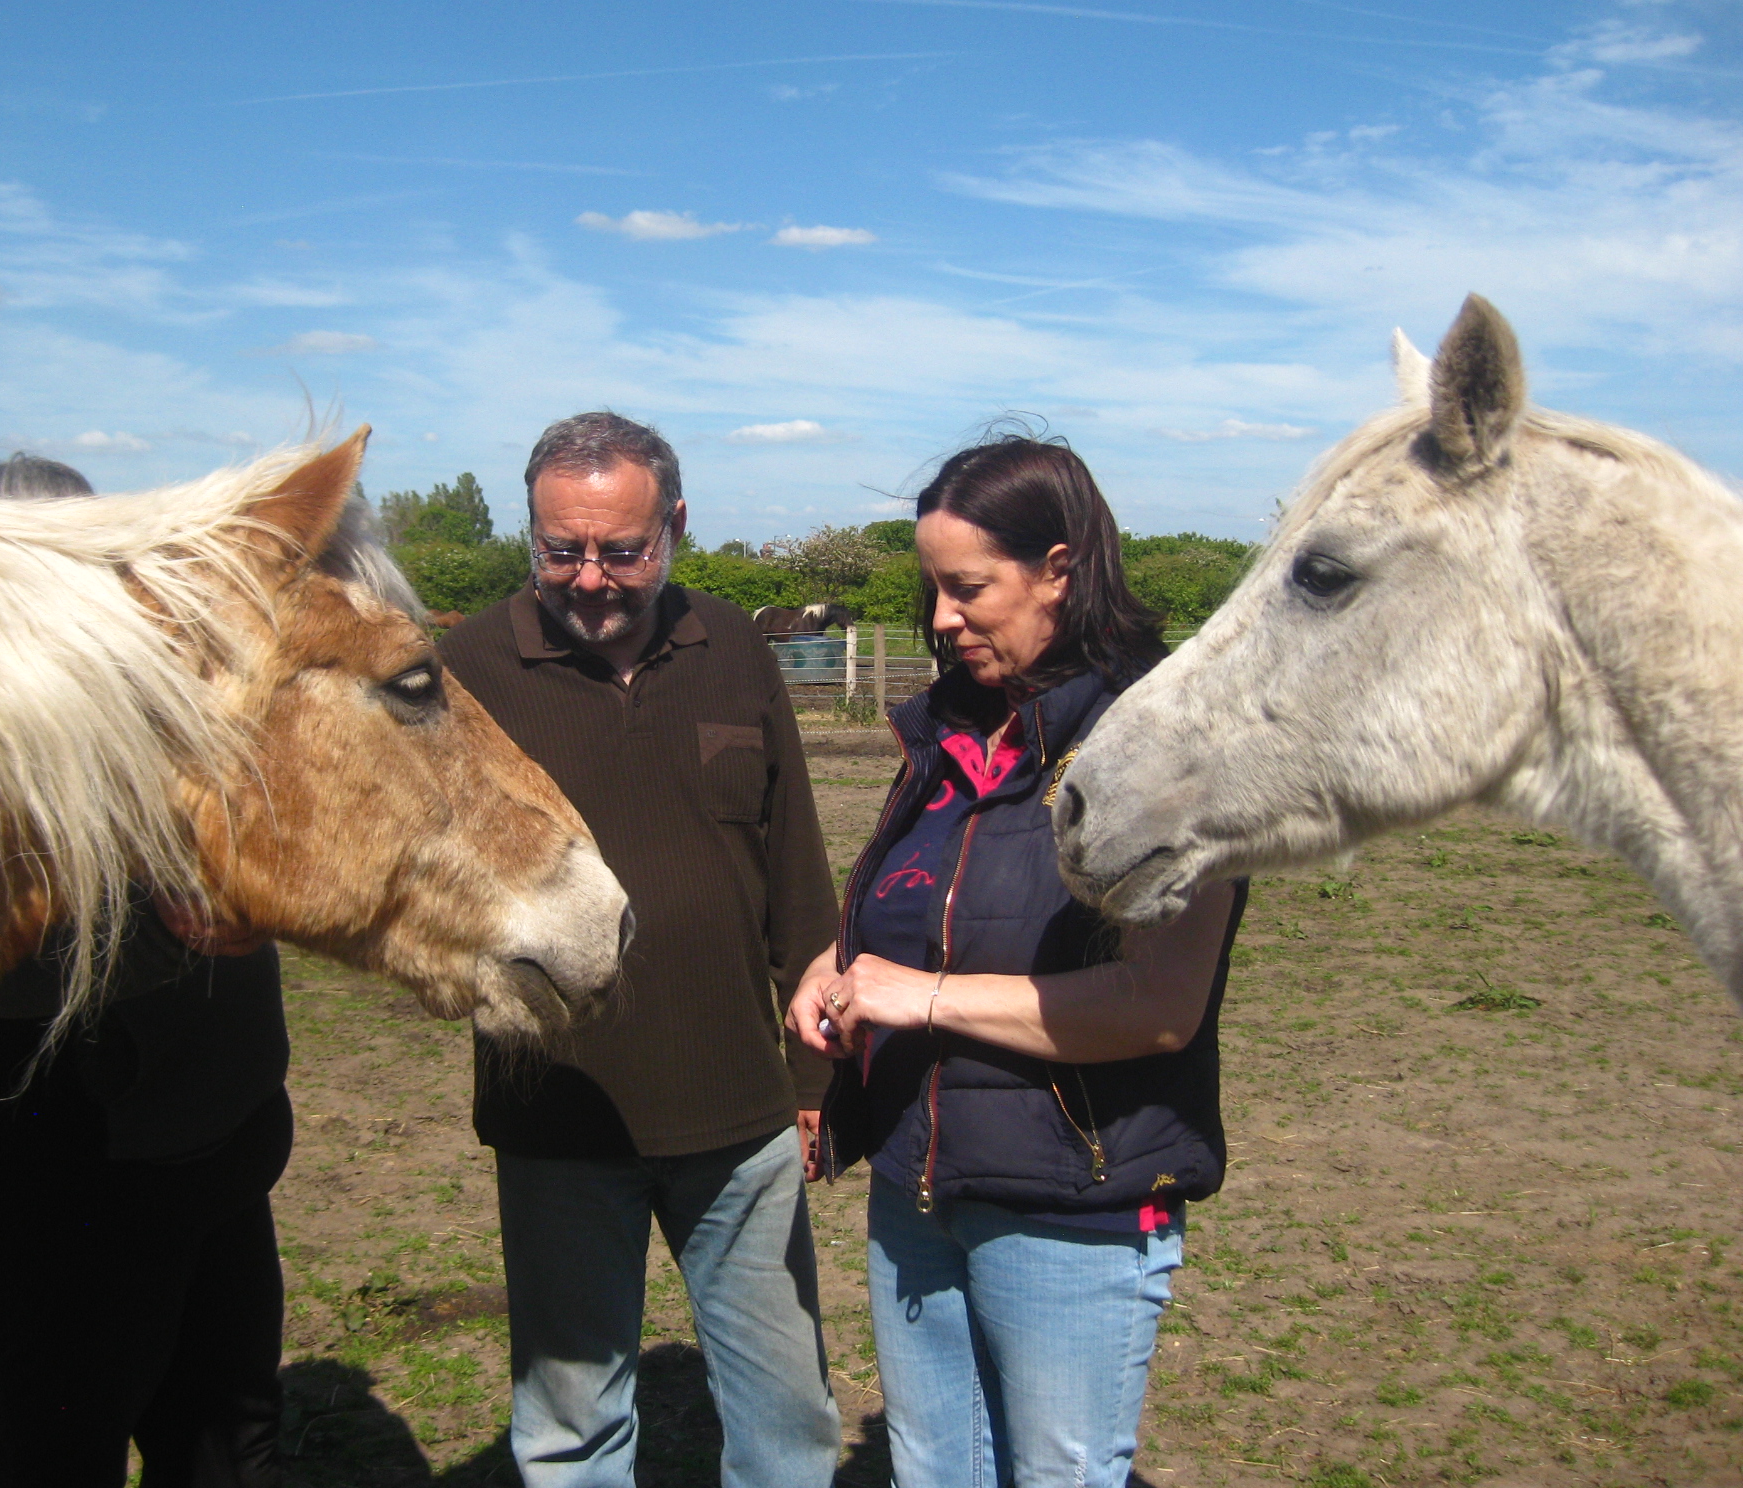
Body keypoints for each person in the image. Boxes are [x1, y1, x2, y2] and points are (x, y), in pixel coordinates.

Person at [787, 434, 1245, 1488]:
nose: (941, 618)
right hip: (917, 1190)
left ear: (1059, 568)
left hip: (1068, 1212)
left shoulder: (1169, 746)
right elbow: (921, 909)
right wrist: (835, 963)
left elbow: (1157, 1004)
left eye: (967, 587)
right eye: (933, 588)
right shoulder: (955, 735)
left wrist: (922, 999)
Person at [0, 453, 292, 1488]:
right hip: (32, 1166)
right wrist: (187, 921)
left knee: (227, 1433)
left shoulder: (138, 700)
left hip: (213, 1141)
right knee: (56, 1447)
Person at [441, 412, 844, 1488]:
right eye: (558, 547)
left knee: (787, 1413)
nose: (588, 575)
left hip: (738, 1107)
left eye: (621, 549)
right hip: (557, 1108)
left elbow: (794, 865)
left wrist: (812, 1070)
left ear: (673, 523)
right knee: (570, 1422)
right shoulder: (466, 666)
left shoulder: (733, 644)